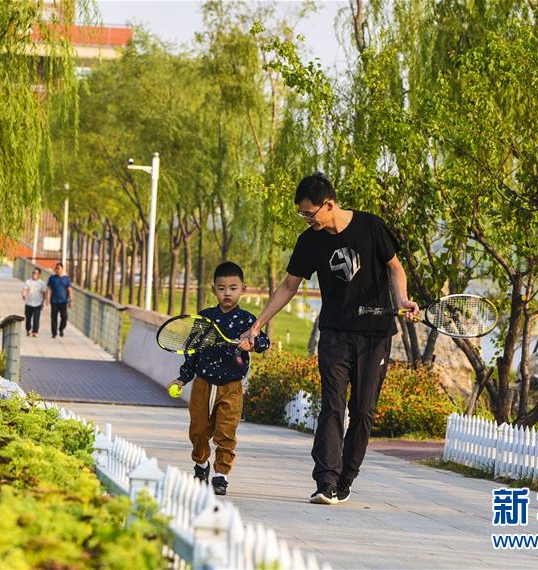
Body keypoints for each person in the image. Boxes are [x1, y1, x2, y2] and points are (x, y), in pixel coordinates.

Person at [238, 173, 418, 505]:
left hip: (375, 336)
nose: (307, 220)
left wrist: (403, 299)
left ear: (329, 204)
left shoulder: (371, 227)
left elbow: (395, 268)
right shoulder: (310, 242)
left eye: (309, 213)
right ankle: (326, 482)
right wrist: (258, 324)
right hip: (334, 334)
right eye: (302, 215)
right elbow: (289, 287)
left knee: (363, 412)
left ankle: (346, 477)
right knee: (332, 407)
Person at [167, 261, 270, 496]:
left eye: (233, 288)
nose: (227, 293)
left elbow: (265, 343)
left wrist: (253, 342)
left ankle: (221, 475)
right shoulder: (204, 319)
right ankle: (201, 464)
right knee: (198, 430)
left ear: (243, 289)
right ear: (213, 289)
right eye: (222, 288)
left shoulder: (247, 321)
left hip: (232, 387)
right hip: (203, 384)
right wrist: (182, 379)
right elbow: (192, 352)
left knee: (226, 432)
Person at [47, 263, 73, 338]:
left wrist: (71, 301)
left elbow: (70, 290)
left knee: (64, 317)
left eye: (58, 268)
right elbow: (49, 289)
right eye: (56, 268)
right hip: (54, 301)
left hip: (63, 302)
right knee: (53, 317)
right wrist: (47, 299)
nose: (57, 270)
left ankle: (61, 328)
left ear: (62, 269)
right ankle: (54, 333)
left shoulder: (66, 279)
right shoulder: (52, 278)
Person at [22, 268, 48, 337]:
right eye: (33, 273)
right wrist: (23, 295)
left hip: (38, 303)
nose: (34, 274)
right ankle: (28, 329)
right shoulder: (28, 281)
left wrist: (43, 302)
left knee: (36, 318)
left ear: (39, 274)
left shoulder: (42, 283)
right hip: (28, 303)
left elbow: (44, 293)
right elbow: (24, 289)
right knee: (28, 318)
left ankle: (35, 332)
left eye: (35, 273)